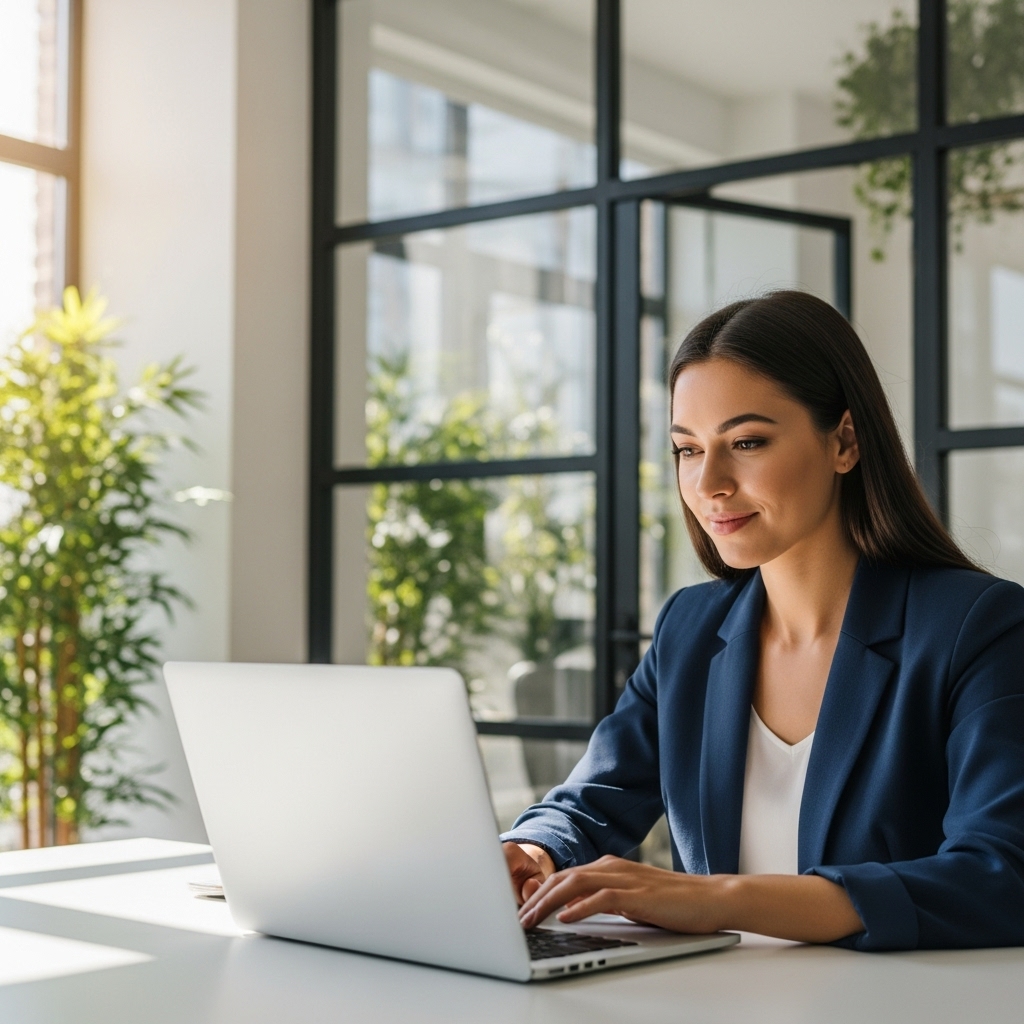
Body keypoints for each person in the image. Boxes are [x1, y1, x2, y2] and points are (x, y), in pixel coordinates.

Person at [501, 290, 1024, 951]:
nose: (709, 484)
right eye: (687, 449)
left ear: (845, 441)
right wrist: (532, 849)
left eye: (746, 442)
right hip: (717, 997)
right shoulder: (689, 628)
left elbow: (1001, 875)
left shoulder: (978, 626)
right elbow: (594, 798)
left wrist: (719, 898)